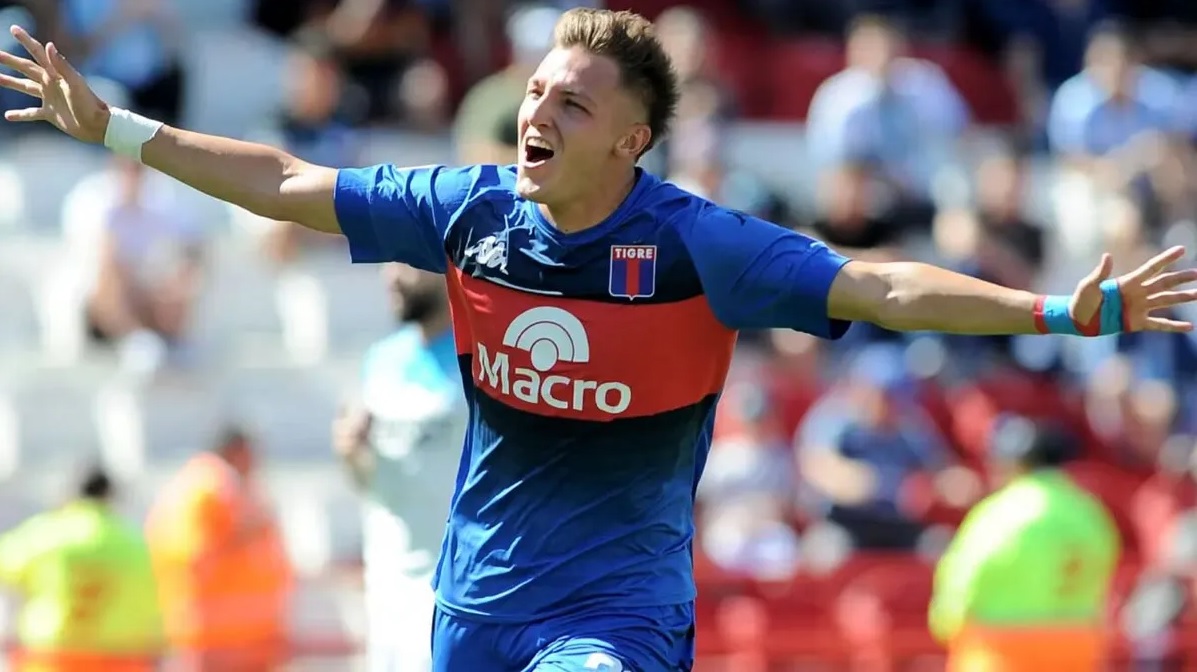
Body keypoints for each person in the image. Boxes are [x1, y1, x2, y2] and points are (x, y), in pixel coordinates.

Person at [1, 9, 1195, 671]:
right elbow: (285, 180)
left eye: (572, 103)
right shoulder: (469, 211)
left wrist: (1056, 311)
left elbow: (880, 286)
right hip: (474, 612)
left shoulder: (699, 246)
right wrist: (118, 132)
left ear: (630, 143)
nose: (538, 111)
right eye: (537, 92)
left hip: (615, 621)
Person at [332, 262, 465, 672]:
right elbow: (369, 479)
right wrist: (350, 452)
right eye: (387, 262)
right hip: (388, 588)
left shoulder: (480, 358)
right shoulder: (381, 359)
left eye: (406, 262)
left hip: (454, 587)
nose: (391, 275)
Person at [929, 418, 1120, 671]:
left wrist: (947, 623)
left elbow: (963, 576)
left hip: (1003, 647)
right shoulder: (1088, 512)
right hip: (1078, 642)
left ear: (1012, 464)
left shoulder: (1001, 511)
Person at [144, 428, 293, 672]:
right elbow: (206, 549)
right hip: (228, 633)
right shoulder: (216, 485)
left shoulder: (189, 483)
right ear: (237, 452)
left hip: (209, 626)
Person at [0, 465, 163, 672]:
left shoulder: (46, 534)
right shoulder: (133, 543)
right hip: (119, 657)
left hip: (52, 656)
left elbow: (7, 568)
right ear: (110, 497)